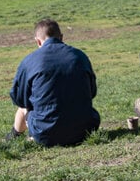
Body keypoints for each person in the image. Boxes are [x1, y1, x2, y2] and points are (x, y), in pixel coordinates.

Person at [7, 18, 100, 146]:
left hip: (46, 134)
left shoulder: (29, 61)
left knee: (24, 108)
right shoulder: (80, 56)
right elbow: (92, 92)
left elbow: (20, 99)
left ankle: (14, 135)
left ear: (38, 41)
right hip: (86, 130)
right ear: (61, 37)